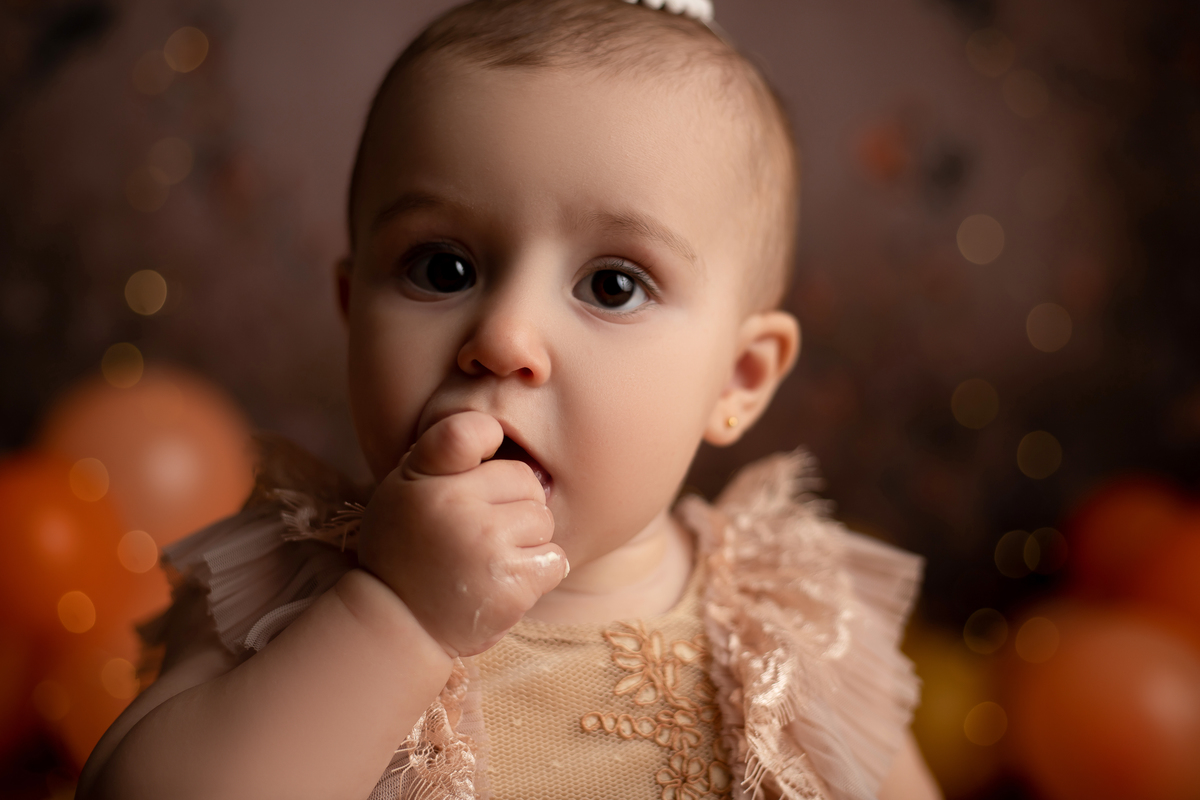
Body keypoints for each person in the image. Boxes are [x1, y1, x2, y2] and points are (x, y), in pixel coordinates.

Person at [77, 0, 941, 797]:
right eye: (441, 269)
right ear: (351, 313)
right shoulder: (290, 580)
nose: (503, 338)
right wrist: (394, 613)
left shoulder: (792, 631)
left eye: (611, 286)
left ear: (737, 379)